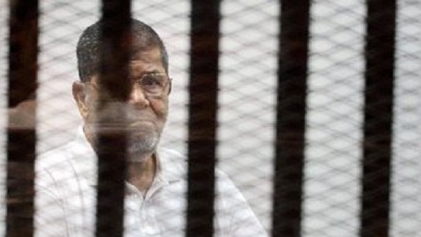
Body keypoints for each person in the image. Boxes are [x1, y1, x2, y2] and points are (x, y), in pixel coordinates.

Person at [36, 18, 267, 236]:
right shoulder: (46, 187)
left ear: (168, 88)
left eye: (152, 82)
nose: (137, 99)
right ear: (82, 98)